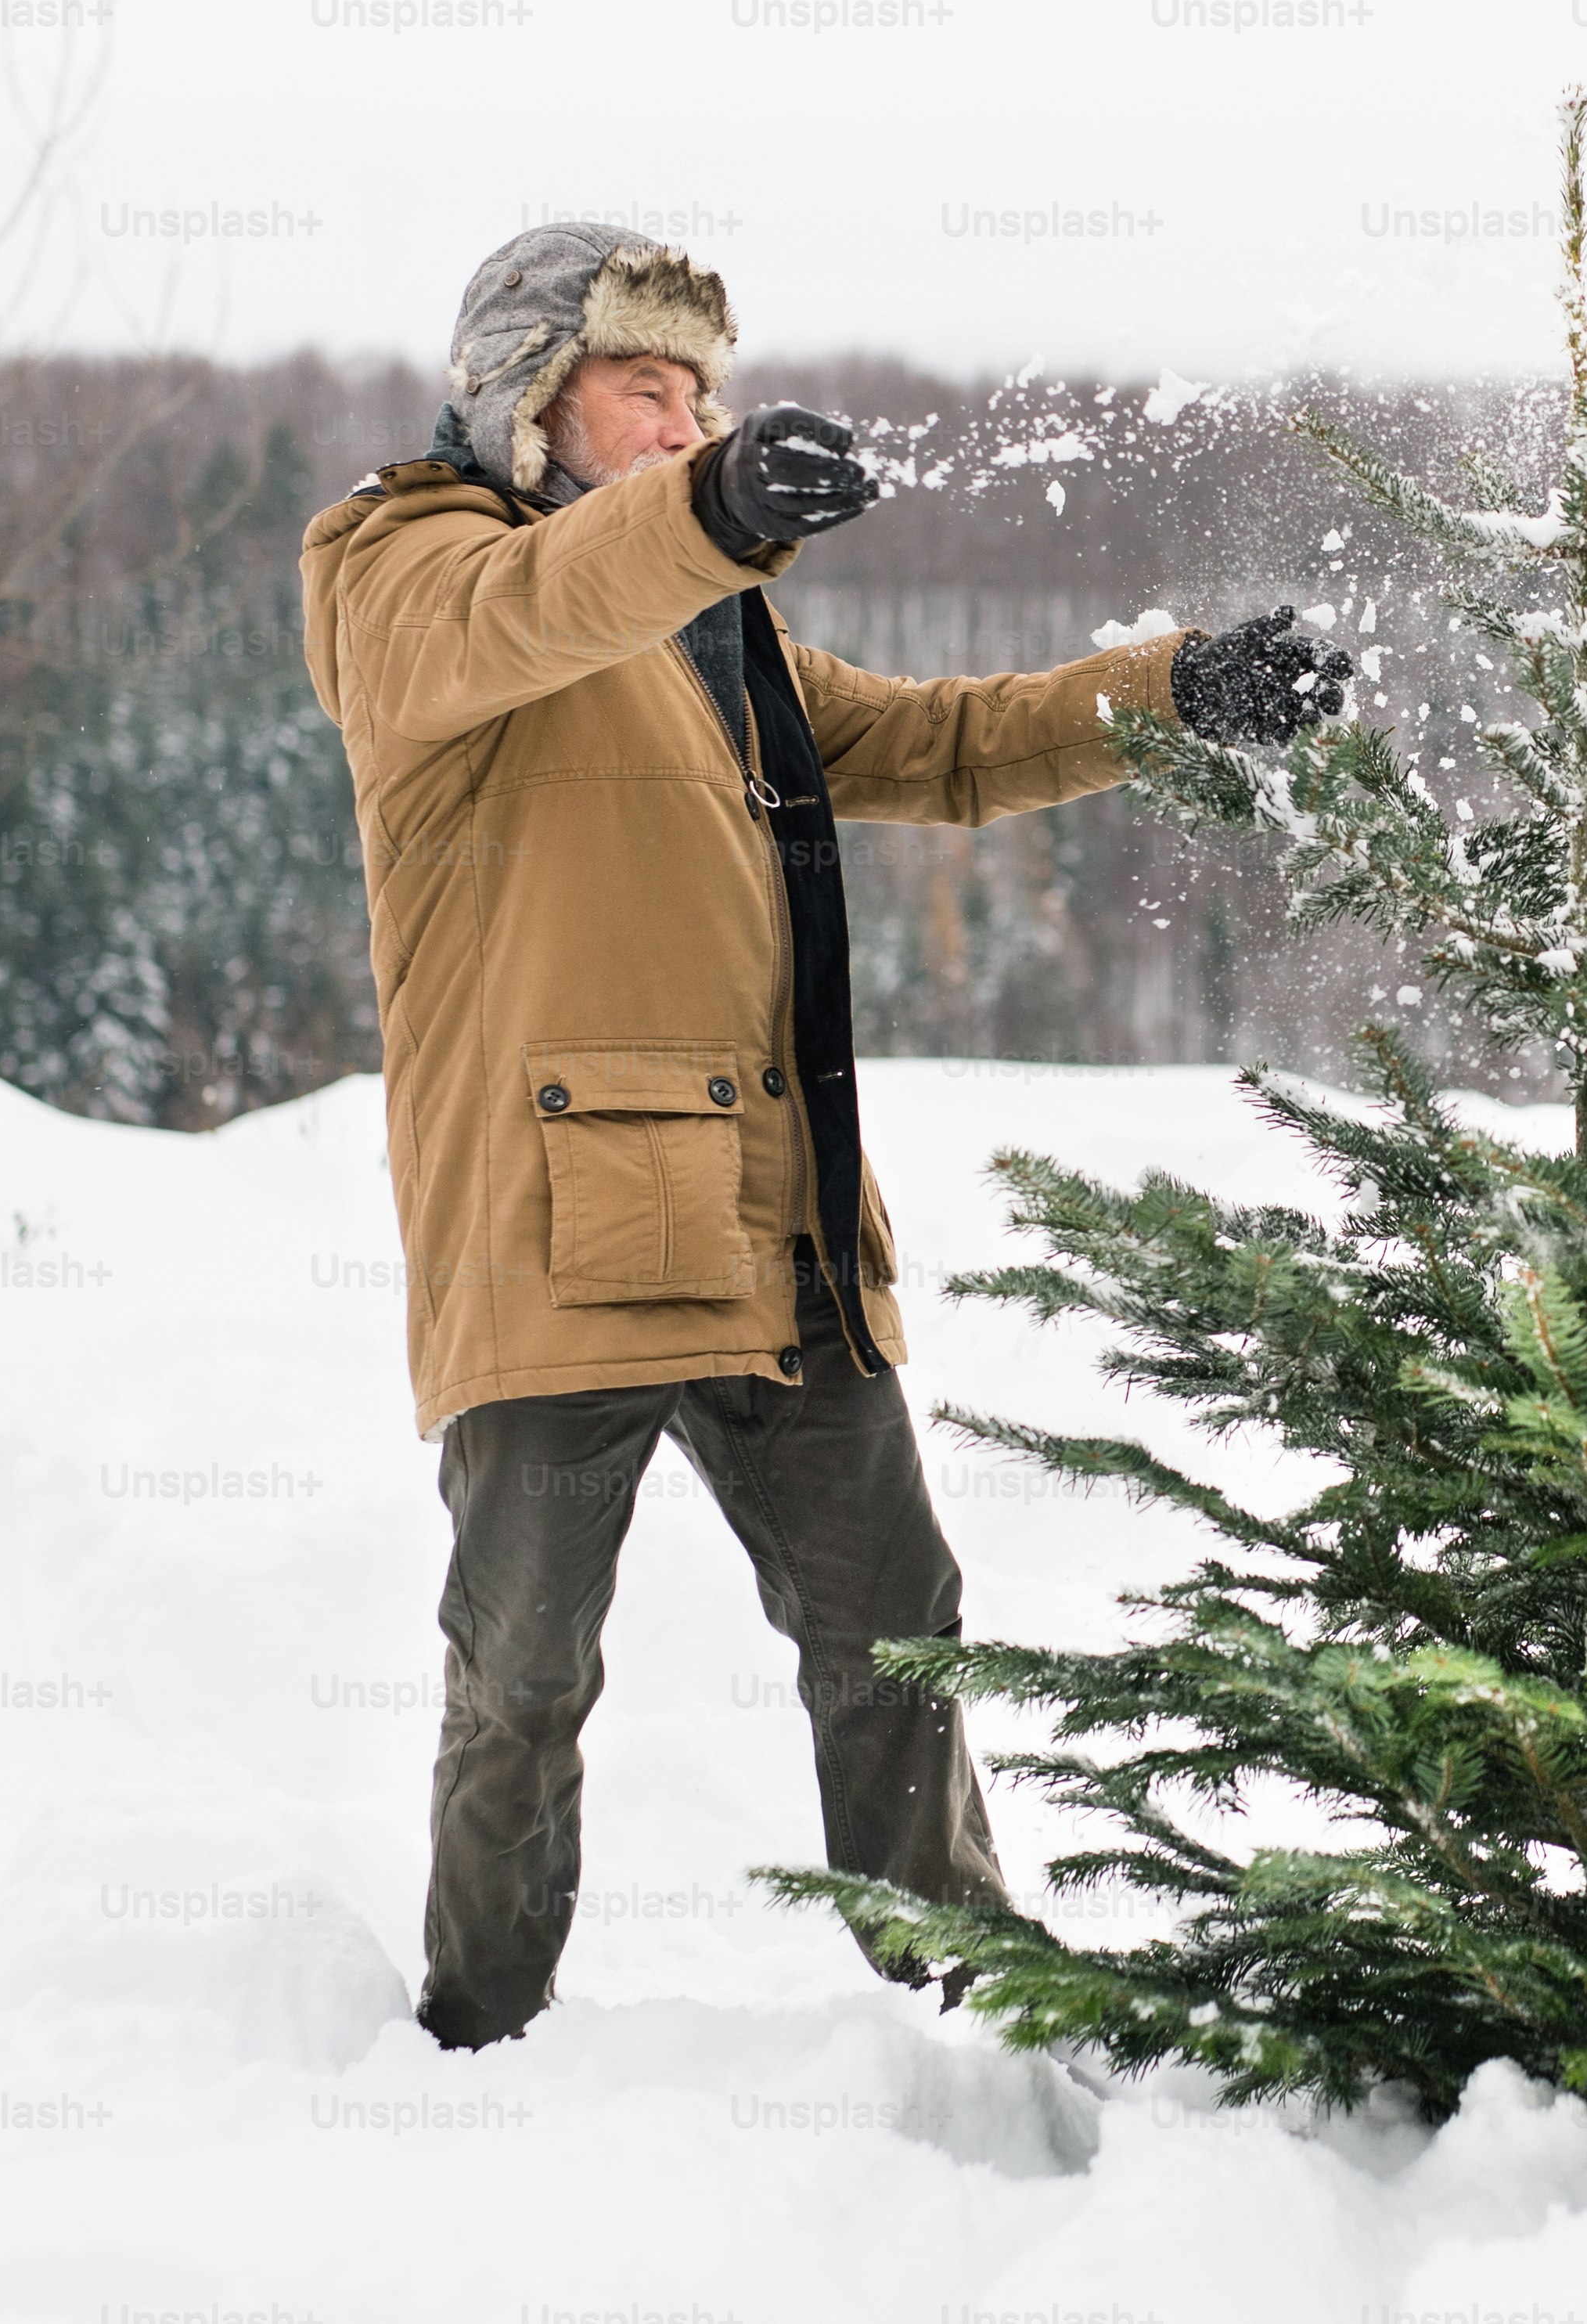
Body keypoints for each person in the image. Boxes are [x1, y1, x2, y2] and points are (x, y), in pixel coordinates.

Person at [298, 222, 1351, 2050]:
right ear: (533, 395)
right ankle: (477, 2032)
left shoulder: (721, 623)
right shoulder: (404, 565)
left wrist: (1177, 690)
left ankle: (967, 1998)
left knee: (899, 1626)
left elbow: (949, 742)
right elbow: (536, 609)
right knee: (527, 1663)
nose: (687, 412)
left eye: (703, 392)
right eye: (650, 383)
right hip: (550, 1225)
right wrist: (709, 501)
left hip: (774, 1215)